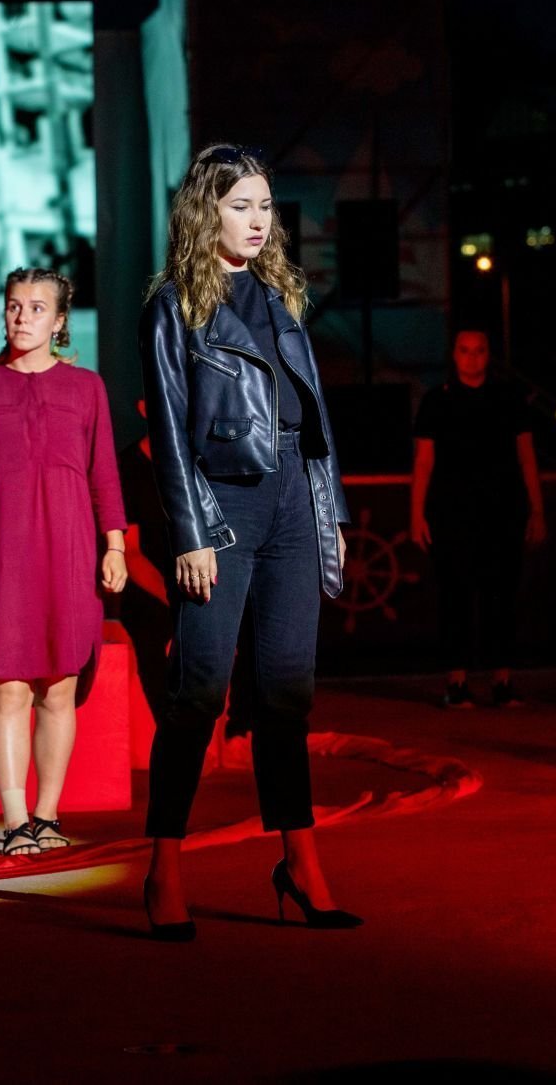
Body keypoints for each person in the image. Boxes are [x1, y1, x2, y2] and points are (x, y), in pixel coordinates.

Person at [138, 143, 361, 940]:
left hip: (294, 503)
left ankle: (300, 862)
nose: (258, 220)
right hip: (222, 507)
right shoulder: (174, 305)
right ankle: (164, 866)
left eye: (266, 206)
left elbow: (315, 414)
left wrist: (330, 510)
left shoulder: (282, 294)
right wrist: (190, 531)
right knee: (199, 689)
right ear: (208, 211)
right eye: (241, 206)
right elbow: (169, 431)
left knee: (286, 692)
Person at [0, 269, 127, 856]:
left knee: (59, 691)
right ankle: (15, 821)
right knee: (8, 689)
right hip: (0, 552)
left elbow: (104, 472)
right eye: (15, 306)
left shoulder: (87, 389)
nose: (22, 317)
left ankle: (47, 816)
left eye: (37, 308)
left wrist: (115, 545)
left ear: (60, 321)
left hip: (70, 550)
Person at [410, 328, 546, 708]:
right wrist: (416, 513)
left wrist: (537, 509)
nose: (472, 358)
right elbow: (424, 461)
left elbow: (526, 456)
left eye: (479, 350)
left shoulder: (509, 399)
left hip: (503, 510)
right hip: (451, 512)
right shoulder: (437, 401)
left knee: (501, 593)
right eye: (465, 350)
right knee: (454, 594)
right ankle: (456, 680)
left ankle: (502, 679)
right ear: (454, 355)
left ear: (489, 355)